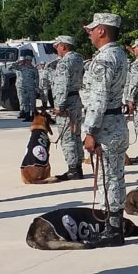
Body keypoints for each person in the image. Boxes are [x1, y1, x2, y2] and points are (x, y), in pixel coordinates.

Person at [80, 13, 129, 246]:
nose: (89, 34)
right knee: (115, 176)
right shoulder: (119, 54)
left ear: (102, 31)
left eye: (92, 29)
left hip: (104, 125)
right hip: (116, 121)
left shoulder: (103, 60)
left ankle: (112, 230)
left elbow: (98, 99)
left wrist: (90, 130)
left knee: (107, 178)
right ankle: (115, 225)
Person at [51, 35, 86, 181]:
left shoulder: (64, 62)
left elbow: (62, 85)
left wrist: (59, 105)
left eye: (57, 46)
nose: (56, 49)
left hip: (66, 102)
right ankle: (78, 166)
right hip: (76, 99)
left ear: (64, 46)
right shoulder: (78, 59)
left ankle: (72, 170)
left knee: (67, 136)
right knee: (76, 134)